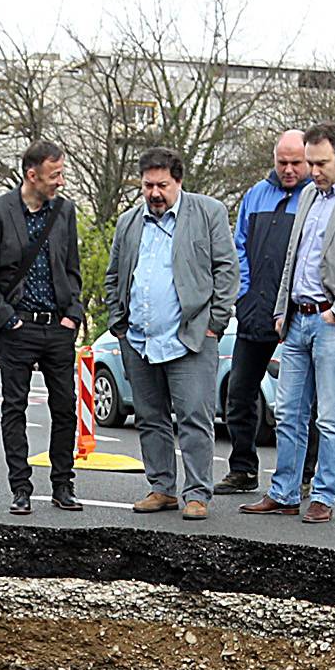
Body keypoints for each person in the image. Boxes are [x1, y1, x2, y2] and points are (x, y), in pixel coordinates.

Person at [243, 123, 335, 523]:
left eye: (321, 162)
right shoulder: (308, 194)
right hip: (296, 319)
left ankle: (323, 494)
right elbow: (295, 256)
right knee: (288, 412)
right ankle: (284, 492)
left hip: (334, 323)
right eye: (310, 162)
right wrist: (280, 309)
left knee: (330, 415)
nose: (313, 170)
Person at [106, 145, 237, 521]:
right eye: (148, 185)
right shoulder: (129, 222)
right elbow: (115, 275)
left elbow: (227, 271)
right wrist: (119, 323)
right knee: (150, 417)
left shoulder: (208, 213)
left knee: (195, 416)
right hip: (139, 338)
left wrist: (215, 324)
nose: (155, 193)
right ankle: (161, 487)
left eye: (162, 185)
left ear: (178, 181)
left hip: (191, 338)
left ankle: (196, 493)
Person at [0, 139, 83, 515]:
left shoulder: (64, 212)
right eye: (55, 175)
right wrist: (8, 319)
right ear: (31, 175)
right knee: (14, 409)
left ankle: (63, 485)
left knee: (65, 407)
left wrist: (74, 314)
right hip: (17, 327)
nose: (61, 182)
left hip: (58, 327)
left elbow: (72, 269)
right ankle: (21, 488)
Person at [220, 130, 310, 494]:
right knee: (239, 393)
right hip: (254, 311)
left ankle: (304, 475)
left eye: (296, 162)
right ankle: (243, 468)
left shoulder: (314, 198)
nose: (288, 169)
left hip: (296, 314)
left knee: (303, 401)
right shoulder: (256, 195)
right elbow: (238, 246)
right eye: (282, 162)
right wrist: (242, 294)